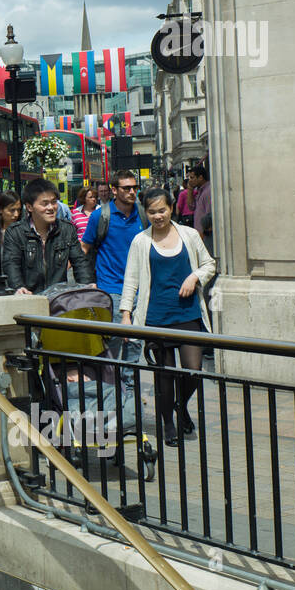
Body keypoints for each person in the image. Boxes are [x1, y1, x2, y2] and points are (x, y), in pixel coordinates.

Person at [119, 187, 217, 446]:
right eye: (152, 211)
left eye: (162, 210)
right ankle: (168, 424)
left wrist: (194, 276)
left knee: (193, 371)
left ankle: (180, 405)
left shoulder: (189, 234)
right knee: (164, 374)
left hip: (187, 313)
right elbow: (131, 280)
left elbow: (209, 264)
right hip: (155, 317)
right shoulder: (141, 241)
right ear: (146, 212)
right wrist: (126, 314)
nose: (158, 216)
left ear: (171, 208)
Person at [81, 170, 151, 367]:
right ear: (114, 190)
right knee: (113, 343)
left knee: (135, 345)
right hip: (112, 290)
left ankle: (129, 389)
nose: (132, 192)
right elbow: (84, 248)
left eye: (135, 187)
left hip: (140, 290)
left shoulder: (144, 215)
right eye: (126, 188)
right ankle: (111, 388)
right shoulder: (99, 217)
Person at [3, 178, 93, 295]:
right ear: (29, 207)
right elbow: (11, 263)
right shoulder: (15, 232)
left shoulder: (66, 229)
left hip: (59, 299)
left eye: (54, 202)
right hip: (29, 299)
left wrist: (87, 285)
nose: (51, 208)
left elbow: (80, 262)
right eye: (45, 204)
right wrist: (18, 287)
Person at [189, 164, 212, 239]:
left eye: (192, 178)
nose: (190, 180)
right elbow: (191, 207)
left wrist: (204, 233)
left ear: (200, 178)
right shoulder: (199, 191)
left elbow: (209, 216)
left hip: (205, 235)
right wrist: (190, 190)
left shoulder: (208, 191)